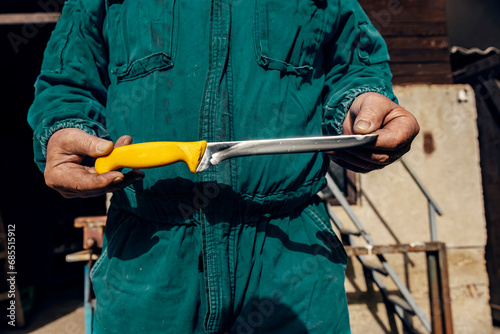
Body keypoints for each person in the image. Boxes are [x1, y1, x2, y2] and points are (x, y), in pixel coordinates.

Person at [28, 0, 419, 333]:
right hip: (147, 261)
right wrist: (64, 129)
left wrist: (360, 106)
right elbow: (68, 80)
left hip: (293, 255)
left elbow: (355, 66)